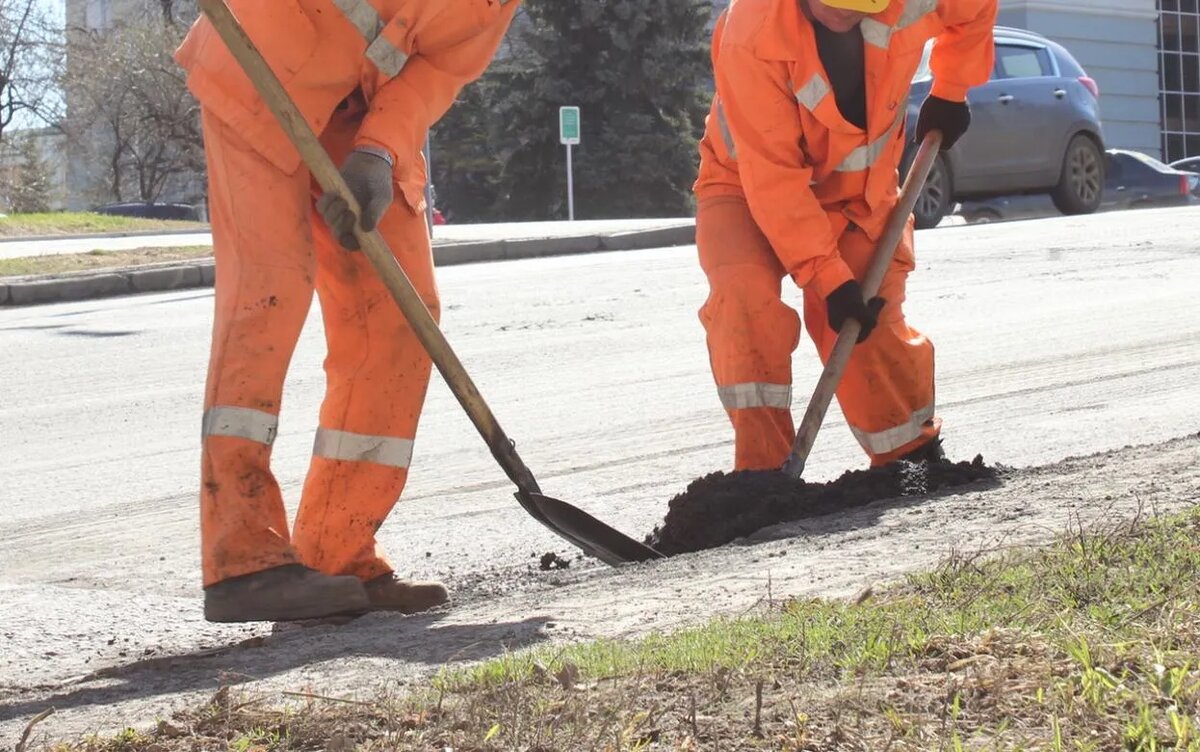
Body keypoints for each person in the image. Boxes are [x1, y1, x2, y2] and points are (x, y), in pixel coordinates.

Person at [174, 0, 520, 623]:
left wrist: (378, 152)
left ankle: (337, 548)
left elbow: (436, 72)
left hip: (362, 114)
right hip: (261, 66)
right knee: (269, 293)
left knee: (400, 316)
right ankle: (243, 561)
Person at [693, 0, 997, 472]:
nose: (842, 13)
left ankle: (908, 458)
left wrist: (953, 88)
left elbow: (976, 9)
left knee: (865, 325)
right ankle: (763, 478)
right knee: (742, 299)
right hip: (744, 186)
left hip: (858, 194)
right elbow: (774, 181)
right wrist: (826, 276)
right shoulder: (752, 28)